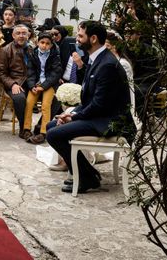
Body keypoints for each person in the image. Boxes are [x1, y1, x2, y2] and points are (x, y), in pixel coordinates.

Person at [46, 21, 136, 194]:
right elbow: (90, 100)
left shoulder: (107, 64)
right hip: (100, 116)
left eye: (80, 36)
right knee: (52, 126)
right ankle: (89, 174)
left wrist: (73, 117)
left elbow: (99, 104)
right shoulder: (97, 59)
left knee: (54, 134)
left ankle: (86, 178)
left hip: (110, 122)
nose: (77, 40)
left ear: (93, 39)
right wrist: (71, 112)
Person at [22, 32, 63, 144]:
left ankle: (43, 132)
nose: (44, 45)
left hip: (49, 84)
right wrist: (32, 86)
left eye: (47, 43)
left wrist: (43, 86)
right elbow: (30, 73)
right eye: (42, 42)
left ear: (51, 45)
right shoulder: (33, 54)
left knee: (46, 105)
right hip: (36, 84)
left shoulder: (55, 56)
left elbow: (56, 74)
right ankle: (26, 129)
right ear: (37, 42)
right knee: (29, 102)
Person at [0, 24, 32, 132]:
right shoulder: (5, 50)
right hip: (14, 83)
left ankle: (40, 127)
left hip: (31, 82)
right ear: (13, 35)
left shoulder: (32, 49)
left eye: (24, 33)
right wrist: (12, 84)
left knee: (54, 98)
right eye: (18, 33)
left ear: (28, 35)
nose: (21, 36)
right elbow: (0, 72)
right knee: (20, 98)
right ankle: (24, 129)